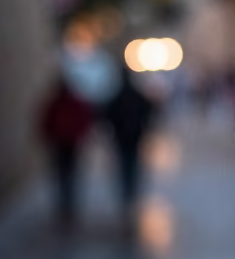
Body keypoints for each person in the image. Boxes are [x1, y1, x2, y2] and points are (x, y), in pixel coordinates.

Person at [38, 76, 94, 229]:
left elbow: (45, 122)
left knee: (63, 174)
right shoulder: (69, 102)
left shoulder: (56, 103)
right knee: (69, 174)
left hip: (62, 143)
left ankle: (66, 204)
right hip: (68, 143)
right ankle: (68, 204)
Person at [103, 67, 157, 227]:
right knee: (131, 164)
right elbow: (149, 110)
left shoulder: (117, 95)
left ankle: (127, 192)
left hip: (123, 138)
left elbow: (107, 114)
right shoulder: (135, 94)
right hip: (133, 137)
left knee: (125, 164)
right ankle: (131, 192)